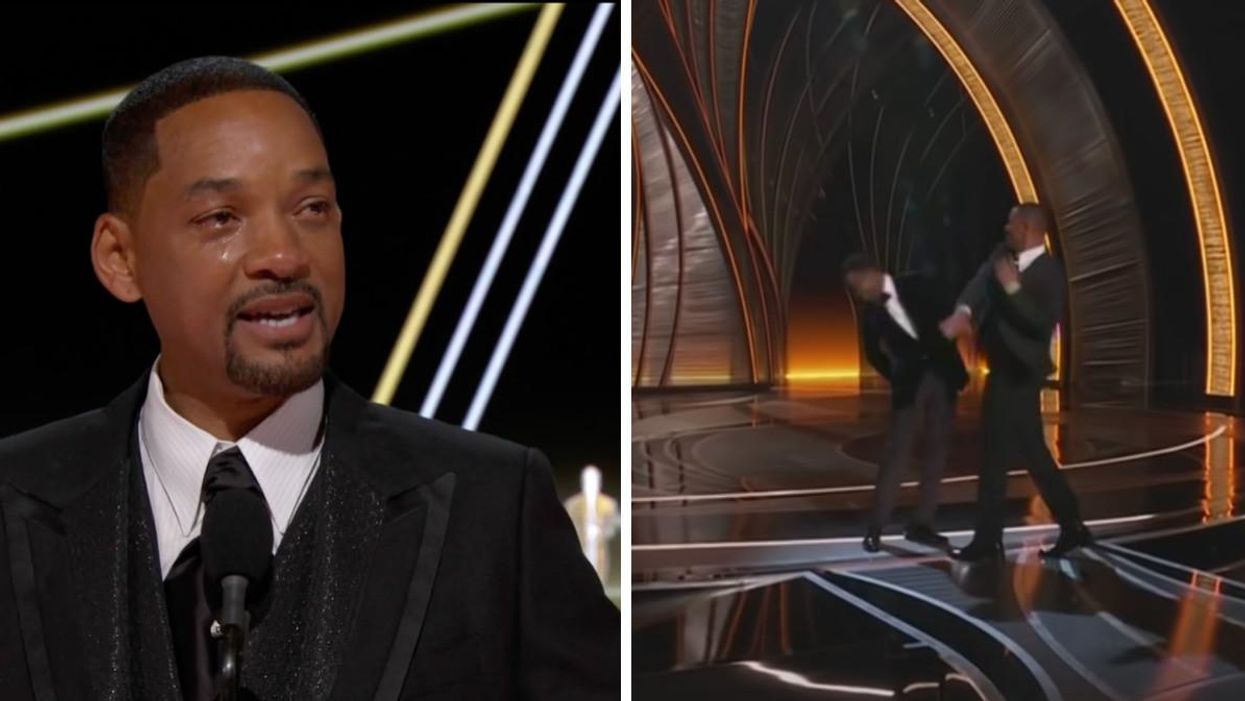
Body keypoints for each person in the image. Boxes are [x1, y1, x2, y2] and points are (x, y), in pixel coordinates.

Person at [0, 56, 618, 700]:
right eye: (222, 218)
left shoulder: (492, 508)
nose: (284, 255)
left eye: (312, 207)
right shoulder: (11, 502)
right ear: (120, 259)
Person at [939, 203, 1091, 562]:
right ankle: (1070, 525)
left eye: (1011, 224)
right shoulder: (1001, 255)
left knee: (999, 456)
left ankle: (990, 540)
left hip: (1023, 373)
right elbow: (978, 283)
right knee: (1026, 455)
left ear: (1025, 228)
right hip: (1003, 370)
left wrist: (1011, 289)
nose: (1005, 229)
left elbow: (1040, 323)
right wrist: (963, 313)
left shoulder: (1050, 272)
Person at [842, 254, 968, 553]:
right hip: (909, 385)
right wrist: (897, 374)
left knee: (936, 454)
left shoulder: (918, 284)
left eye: (858, 284)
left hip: (941, 375)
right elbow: (873, 354)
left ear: (873, 273)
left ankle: (923, 524)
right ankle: (876, 526)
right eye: (854, 289)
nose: (859, 293)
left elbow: (948, 316)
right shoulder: (871, 315)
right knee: (896, 453)